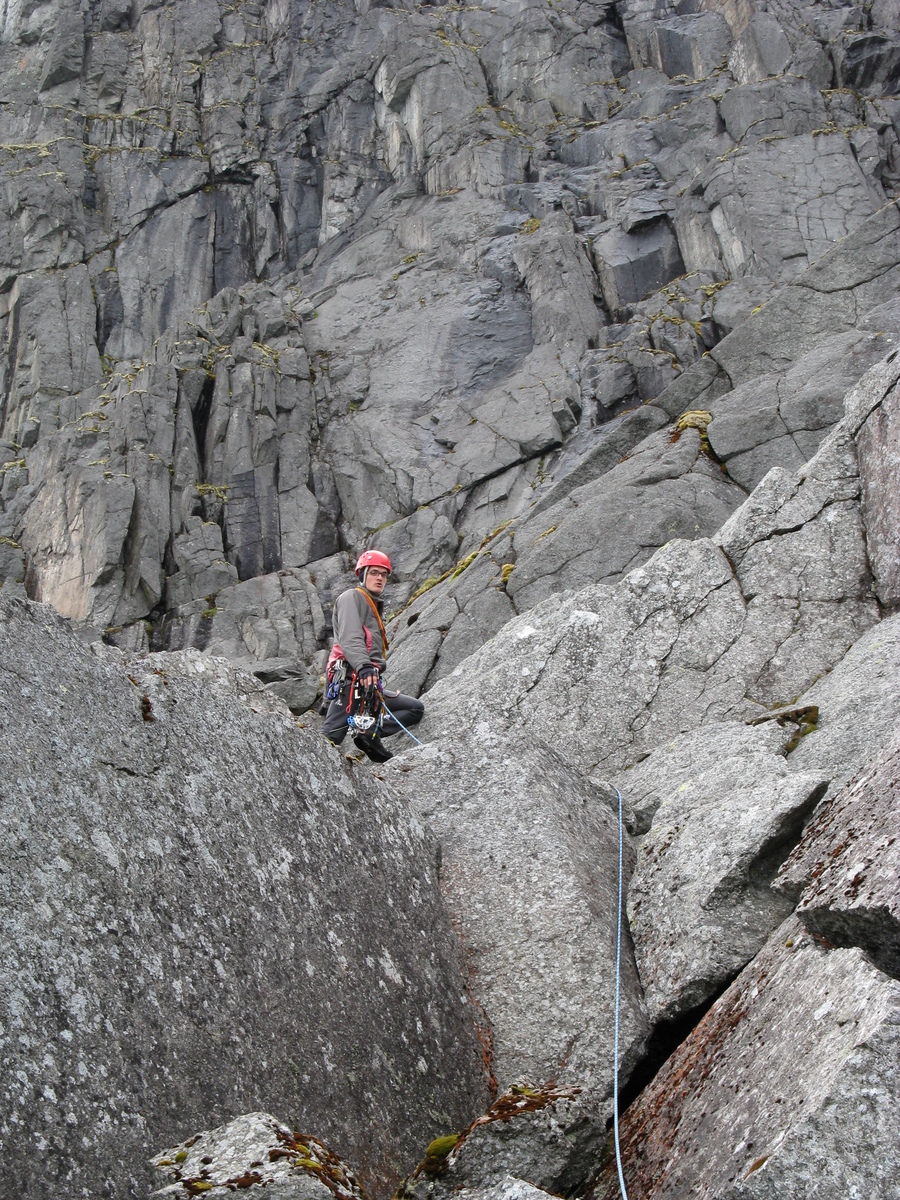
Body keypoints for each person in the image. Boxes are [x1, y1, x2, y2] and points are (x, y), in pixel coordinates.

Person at [322, 549, 425, 761]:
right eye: (374, 573)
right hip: (352, 679)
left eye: (384, 575)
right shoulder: (351, 598)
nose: (380, 578)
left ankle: (370, 732)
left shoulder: (371, 606)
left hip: (368, 682)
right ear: (362, 574)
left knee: (415, 709)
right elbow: (350, 637)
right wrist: (364, 666)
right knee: (330, 738)